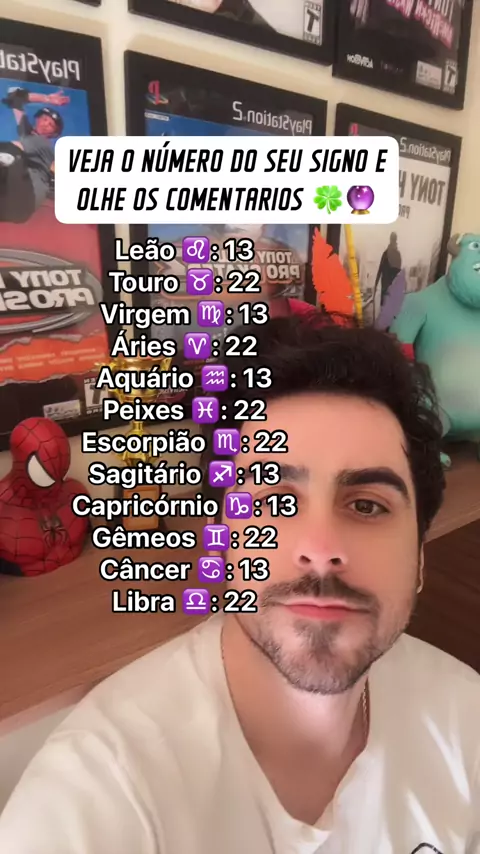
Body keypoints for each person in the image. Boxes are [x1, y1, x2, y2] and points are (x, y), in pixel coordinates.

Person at [1, 315, 479, 853]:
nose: (320, 547)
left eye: (367, 505)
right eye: (275, 500)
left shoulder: (466, 722)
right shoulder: (96, 790)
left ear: (419, 558)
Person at [0, 86, 69, 222]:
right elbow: (15, 95)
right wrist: (47, 99)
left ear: (54, 134)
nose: (46, 124)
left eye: (51, 125)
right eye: (44, 119)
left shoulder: (43, 145)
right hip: (13, 206)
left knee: (13, 150)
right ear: (37, 119)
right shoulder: (26, 133)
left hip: (27, 195)